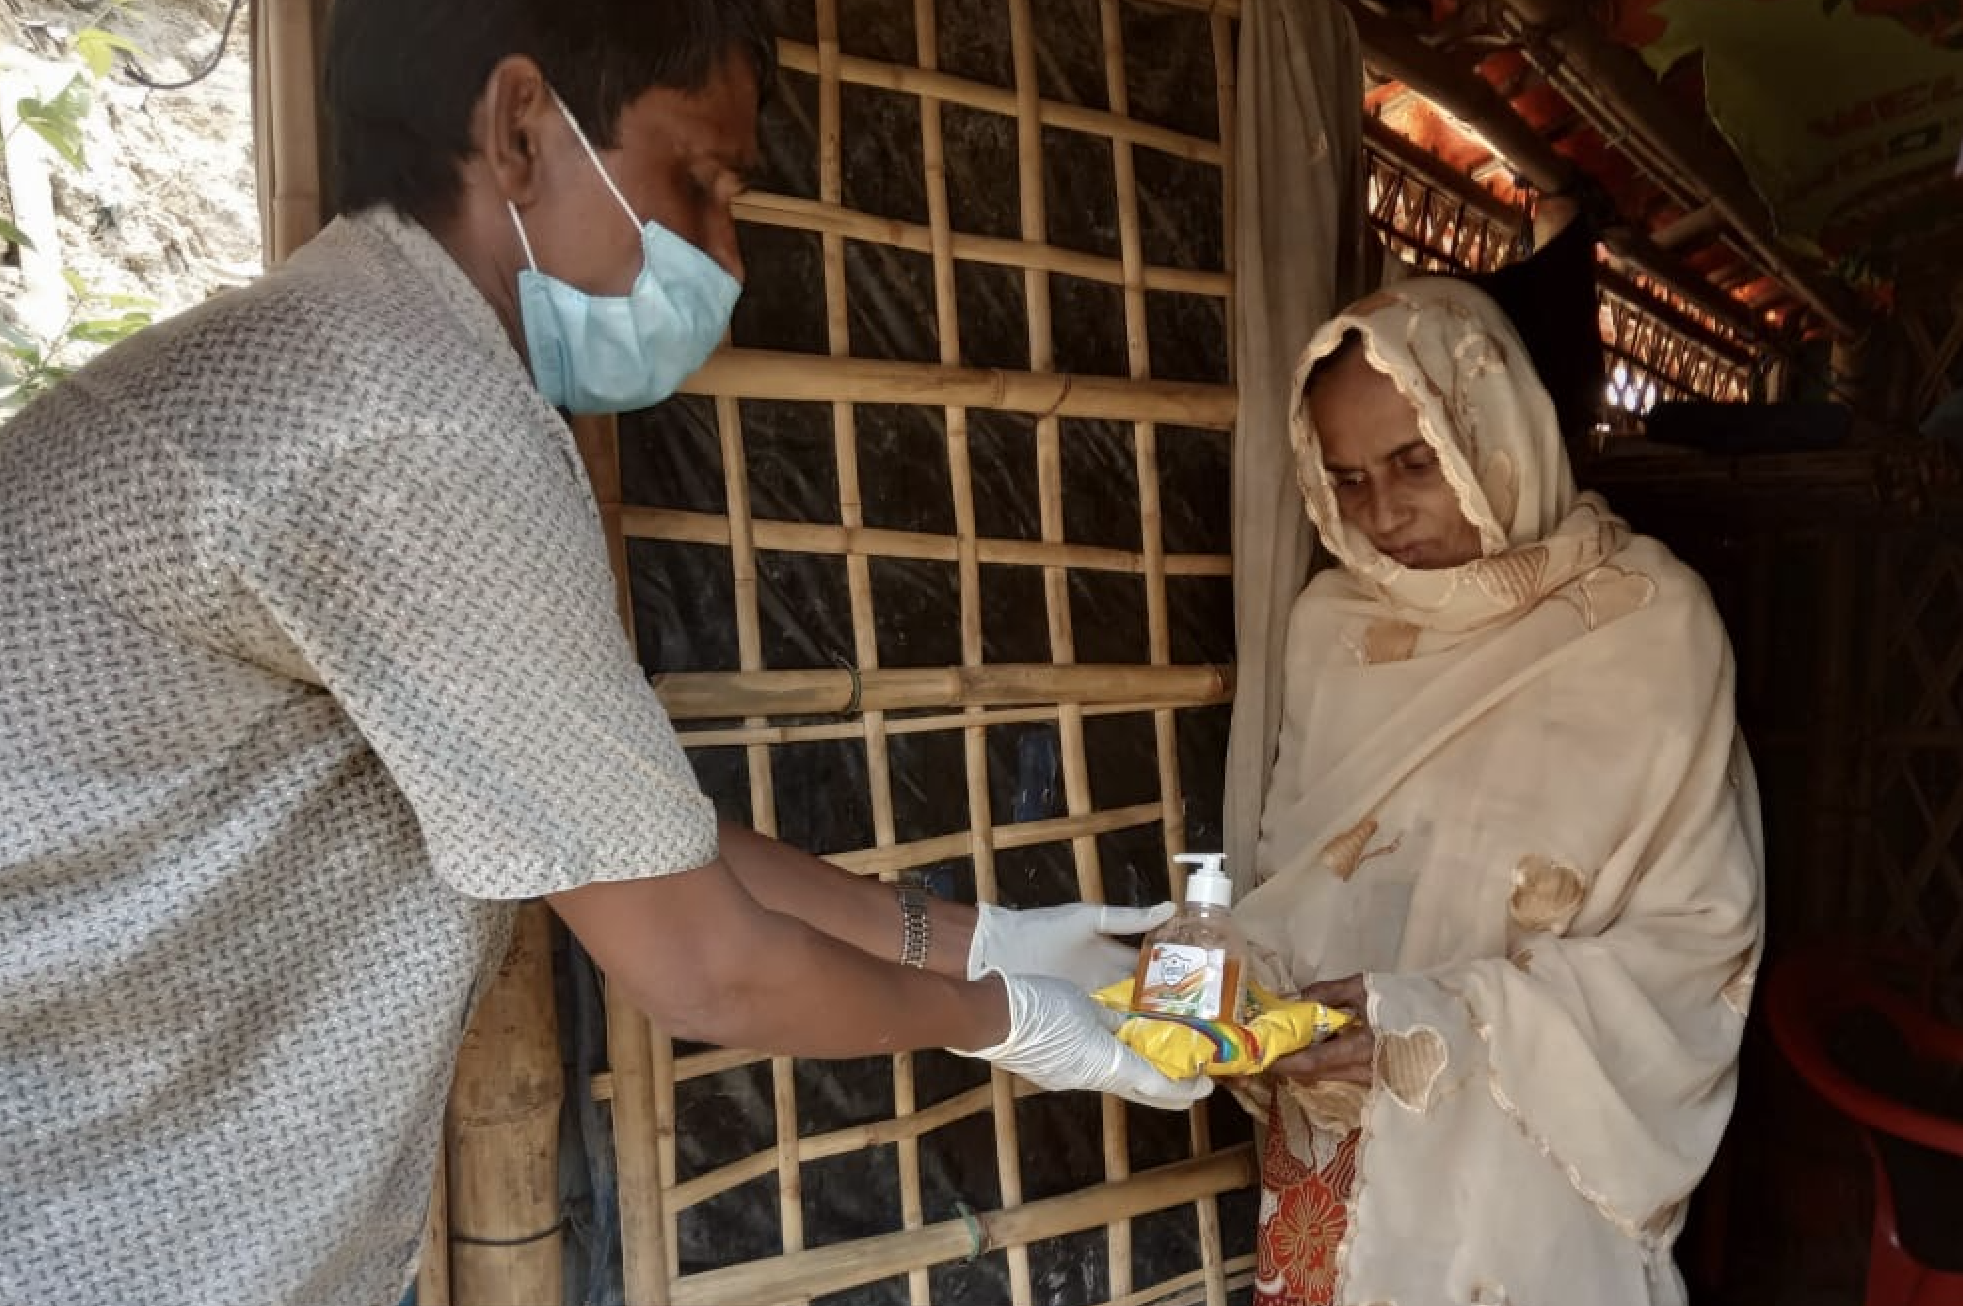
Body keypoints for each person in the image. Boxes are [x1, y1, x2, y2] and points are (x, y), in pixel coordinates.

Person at [0, 2, 1206, 1303]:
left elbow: (631, 841)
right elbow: (709, 965)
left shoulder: (361, 355)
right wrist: (1024, 1023)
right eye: (698, 178)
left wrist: (987, 940)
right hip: (82, 1221)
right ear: (521, 127)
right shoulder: (411, 421)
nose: (726, 254)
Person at [1229, 277, 1764, 1305]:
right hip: (1338, 1143)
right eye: (1345, 480)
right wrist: (1242, 977)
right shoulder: (1333, 632)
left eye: (1414, 461)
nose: (1383, 514)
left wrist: (1445, 1021)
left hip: (1533, 1170)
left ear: (1495, 422)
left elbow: (1700, 940)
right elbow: (1297, 875)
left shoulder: (1647, 626)